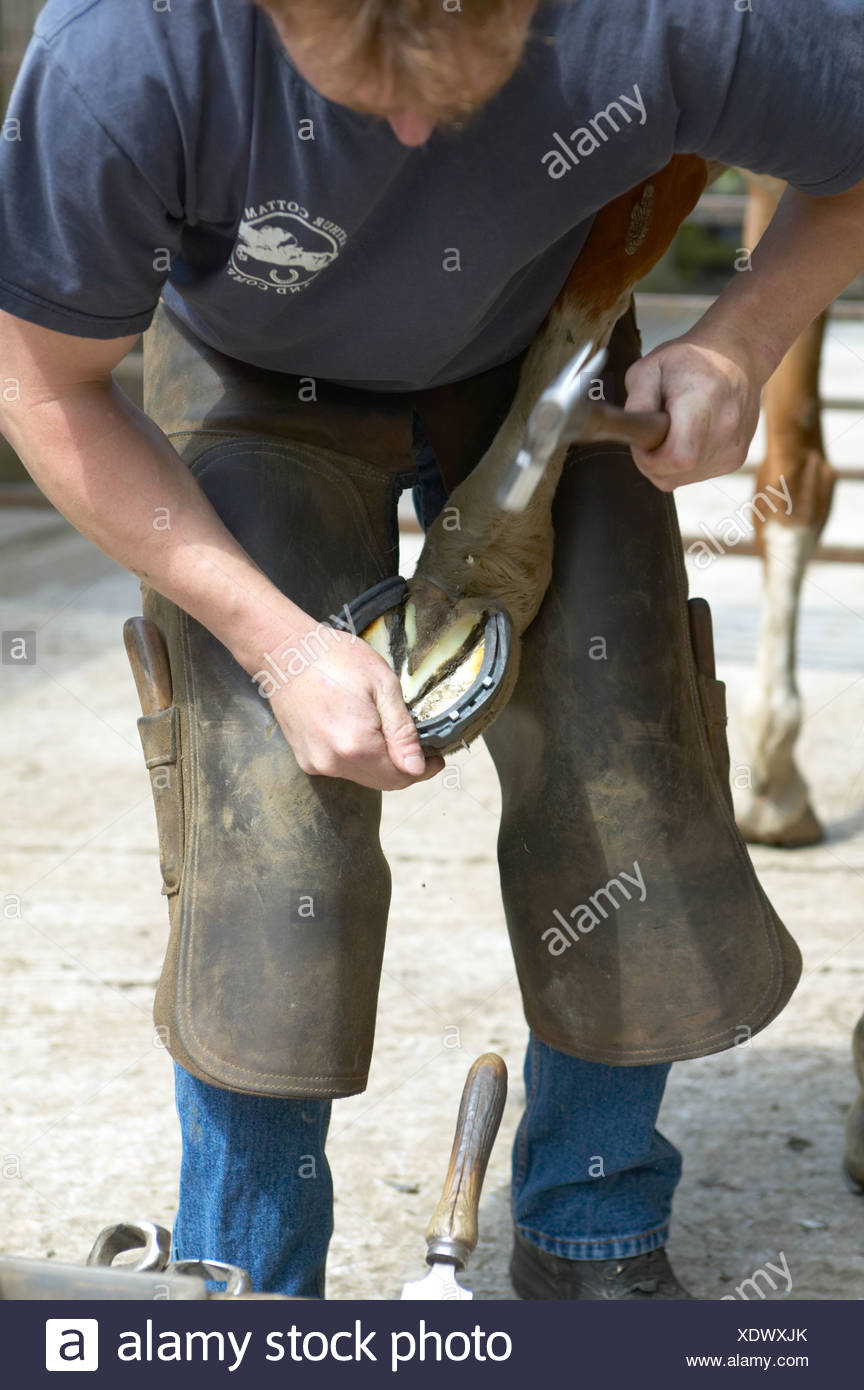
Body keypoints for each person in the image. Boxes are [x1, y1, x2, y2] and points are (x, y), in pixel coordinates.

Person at [0, 0, 862, 1299]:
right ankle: (243, 1273)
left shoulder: (670, 14)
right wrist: (278, 646)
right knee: (267, 826)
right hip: (252, 373)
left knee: (623, 760)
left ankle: (593, 1225)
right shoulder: (128, 47)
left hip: (545, 346)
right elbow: (39, 379)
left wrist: (744, 341)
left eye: (457, 88)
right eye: (359, 94)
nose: (408, 126)